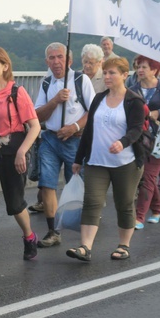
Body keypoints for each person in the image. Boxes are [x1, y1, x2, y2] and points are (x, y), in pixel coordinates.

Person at [67, 57, 145, 262]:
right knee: (92, 202)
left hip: (126, 163)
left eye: (112, 73)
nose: (107, 77)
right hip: (96, 161)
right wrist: (78, 158)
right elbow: (89, 130)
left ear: (124, 75)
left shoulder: (133, 100)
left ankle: (123, 245)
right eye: (106, 72)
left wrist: (123, 142)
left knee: (124, 203)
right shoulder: (99, 98)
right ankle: (85, 247)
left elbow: (137, 128)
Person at [0, 46, 41, 259]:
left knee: (15, 204)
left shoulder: (16, 93)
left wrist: (22, 152)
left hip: (13, 151)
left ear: (5, 66)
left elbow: (35, 126)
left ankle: (29, 236)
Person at [34, 43, 95, 248]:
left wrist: (75, 126)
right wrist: (55, 101)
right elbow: (37, 115)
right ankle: (53, 231)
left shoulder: (80, 79)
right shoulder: (45, 83)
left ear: (69, 60)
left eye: (60, 57)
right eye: (51, 58)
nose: (56, 61)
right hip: (50, 139)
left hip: (74, 139)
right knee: (47, 184)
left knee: (76, 184)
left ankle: (84, 232)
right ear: (47, 62)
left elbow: (93, 110)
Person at [129, 56, 160, 228]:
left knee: (149, 175)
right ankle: (157, 209)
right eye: (138, 67)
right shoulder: (133, 88)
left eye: (144, 67)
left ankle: (139, 217)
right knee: (145, 176)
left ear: (154, 70)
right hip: (140, 140)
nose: (140, 70)